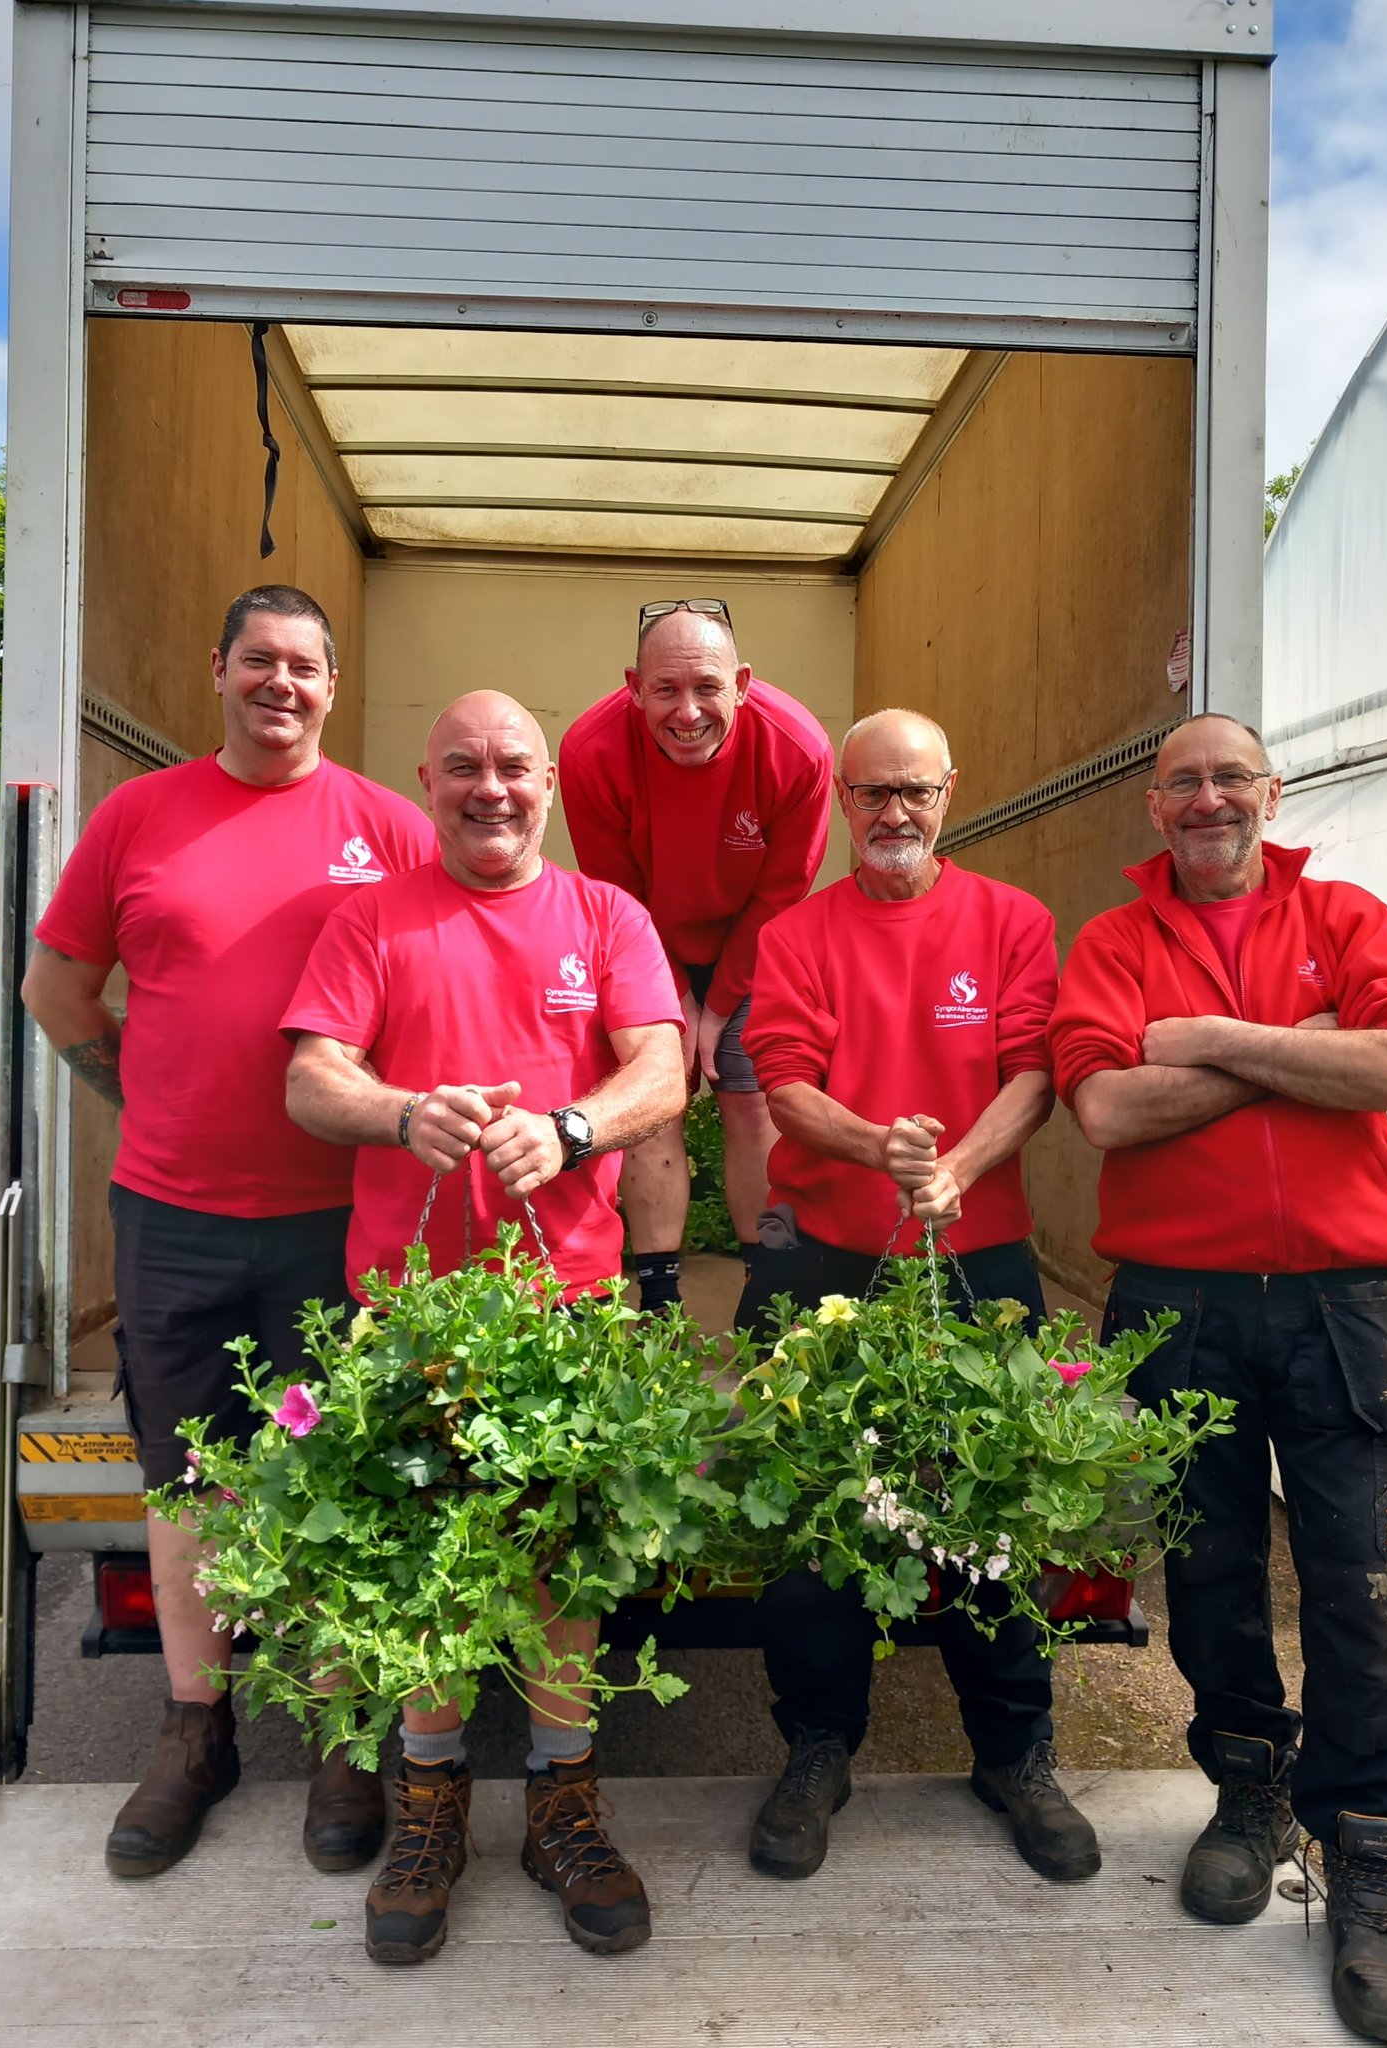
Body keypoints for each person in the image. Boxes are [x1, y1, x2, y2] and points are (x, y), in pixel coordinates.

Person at [1049, 712, 1387, 2046]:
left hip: (1342, 1306)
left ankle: (1374, 1855)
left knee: (1354, 1587)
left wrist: (1209, 1039)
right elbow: (1105, 1106)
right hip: (1182, 1305)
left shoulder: (1340, 911)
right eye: (1184, 782)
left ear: (1269, 795)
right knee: (1211, 1573)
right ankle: (1246, 1788)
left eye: (1231, 777)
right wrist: (1294, 1044)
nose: (1208, 798)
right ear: (1154, 809)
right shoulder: (1112, 944)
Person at [22, 585, 435, 1881]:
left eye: (307, 666)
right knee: (188, 1478)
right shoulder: (141, 816)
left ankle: (335, 1733)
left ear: (330, 682)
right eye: (260, 660)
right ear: (218, 671)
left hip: (339, 1223)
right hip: (174, 1220)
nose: (284, 683)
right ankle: (196, 1734)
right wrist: (136, 1084)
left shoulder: (388, 828)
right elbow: (54, 983)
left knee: (332, 1482)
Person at [282, 689, 685, 1966]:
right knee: (427, 1565)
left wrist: (568, 1128)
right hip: (409, 1319)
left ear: (552, 781)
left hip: (563, 1308)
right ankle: (430, 1798)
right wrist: (404, 1112)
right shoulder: (371, 915)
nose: (491, 787)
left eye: (514, 765)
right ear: (426, 778)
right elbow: (310, 1075)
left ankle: (562, 1796)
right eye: (463, 766)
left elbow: (662, 1068)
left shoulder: (605, 914)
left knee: (560, 1565)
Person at [734, 706, 1100, 1889]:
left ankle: (1014, 1749)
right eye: (872, 792)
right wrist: (879, 1148)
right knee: (810, 1509)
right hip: (823, 1260)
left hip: (975, 1253)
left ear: (950, 791)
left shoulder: (1010, 921)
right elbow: (784, 1084)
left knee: (994, 1496)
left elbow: (1031, 1070)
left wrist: (955, 1168)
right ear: (841, 798)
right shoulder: (796, 934)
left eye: (916, 791)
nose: (895, 812)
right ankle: (817, 1743)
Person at [559, 599, 832, 1311]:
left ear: (741, 683)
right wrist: (676, 1000)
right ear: (632, 686)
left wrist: (715, 1009)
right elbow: (613, 890)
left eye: (708, 688)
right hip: (643, 942)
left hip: (755, 945)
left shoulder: (797, 748)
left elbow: (781, 893)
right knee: (654, 1104)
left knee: (752, 1107)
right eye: (665, 690)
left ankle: (767, 1281)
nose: (687, 712)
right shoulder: (589, 751)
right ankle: (656, 1295)